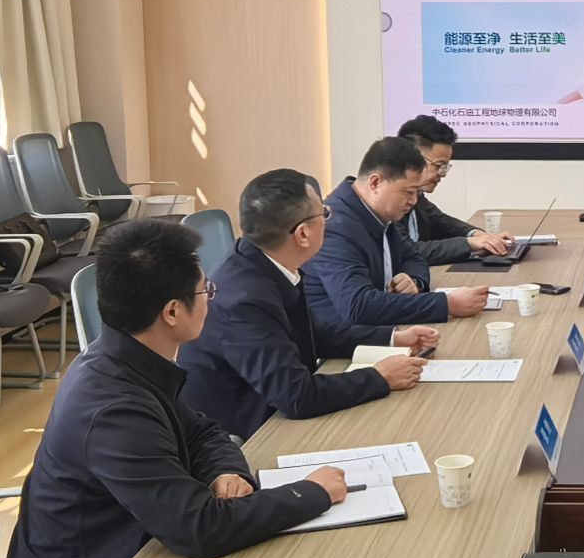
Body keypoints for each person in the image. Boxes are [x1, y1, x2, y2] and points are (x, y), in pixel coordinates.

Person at [5, 218, 354, 558]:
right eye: (206, 290)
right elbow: (201, 529)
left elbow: (203, 432)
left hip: (142, 544)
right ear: (172, 311)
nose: (210, 299)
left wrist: (227, 472)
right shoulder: (112, 409)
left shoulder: (129, 359)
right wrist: (311, 493)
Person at [179, 170, 434, 440]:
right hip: (247, 437)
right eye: (324, 214)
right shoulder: (245, 298)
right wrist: (379, 377)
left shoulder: (263, 261)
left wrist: (393, 338)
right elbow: (296, 396)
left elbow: (314, 333)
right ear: (302, 234)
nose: (328, 220)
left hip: (272, 410)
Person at [309, 136, 491, 328]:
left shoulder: (379, 211)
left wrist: (412, 279)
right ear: (375, 183)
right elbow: (358, 306)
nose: (414, 201)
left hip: (386, 327)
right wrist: (446, 304)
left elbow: (414, 257)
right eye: (408, 192)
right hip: (348, 340)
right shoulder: (334, 226)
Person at [396, 114, 515, 263]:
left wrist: (479, 235)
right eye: (438, 166)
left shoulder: (417, 194)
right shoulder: (388, 200)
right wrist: (469, 244)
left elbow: (441, 222)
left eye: (445, 167)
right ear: (411, 159)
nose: (442, 174)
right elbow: (404, 251)